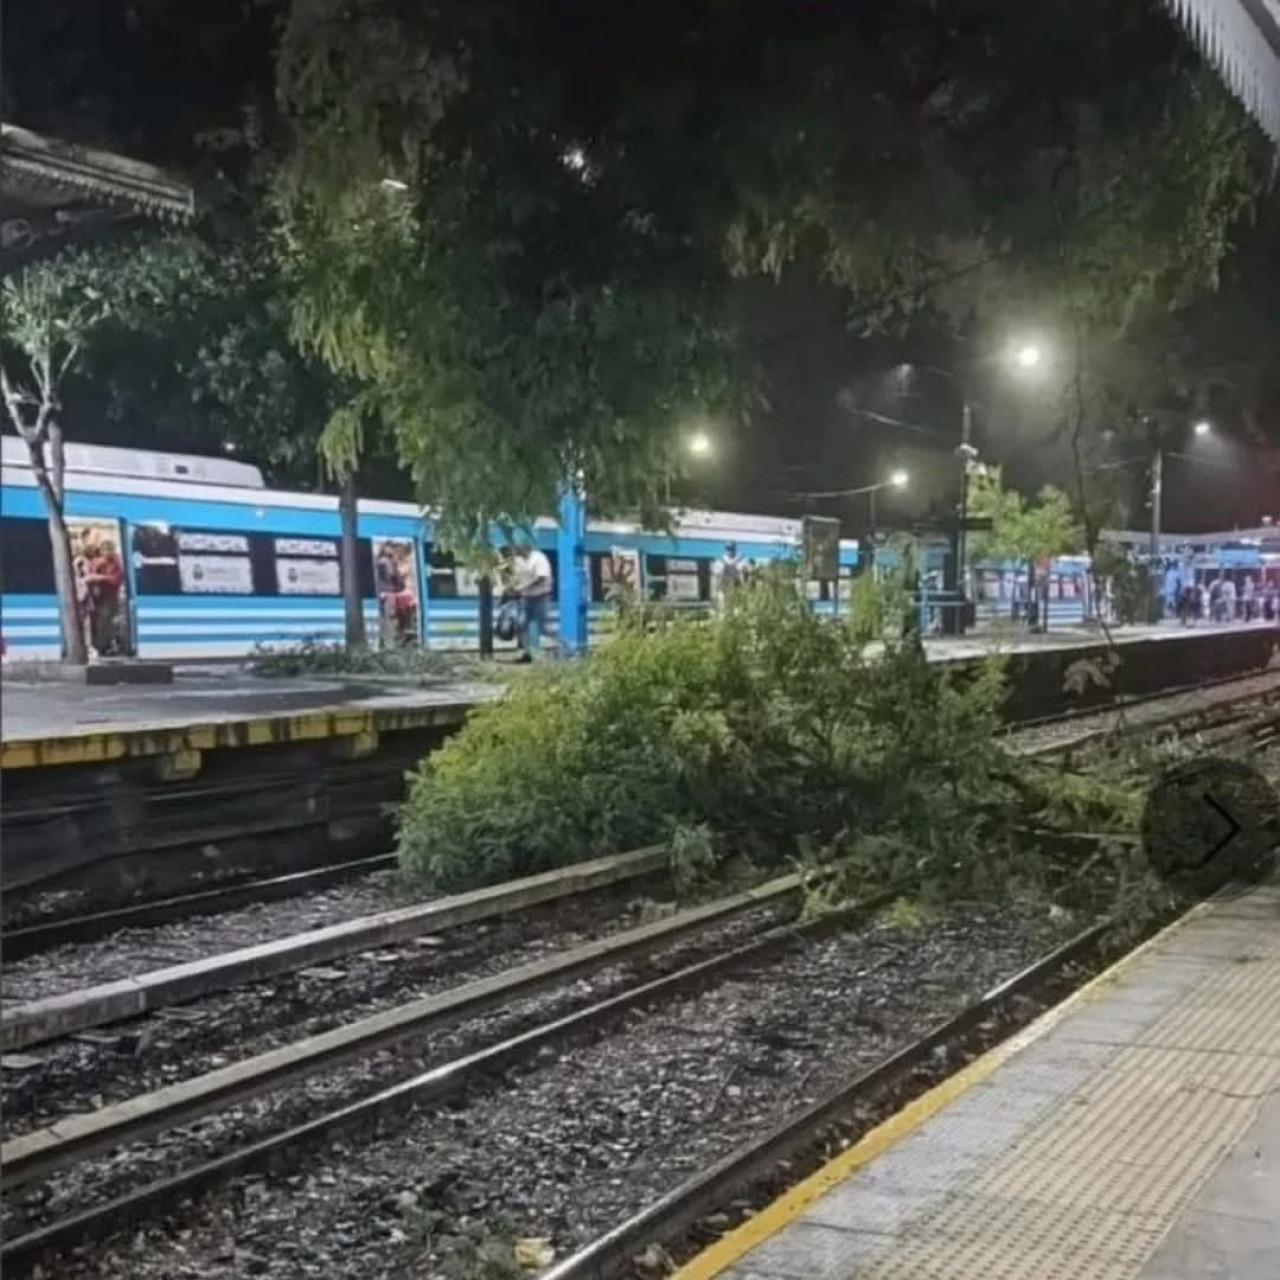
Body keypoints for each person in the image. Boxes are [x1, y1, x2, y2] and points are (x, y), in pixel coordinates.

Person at [84, 537, 125, 656]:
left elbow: (116, 580)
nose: (107, 553)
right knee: (94, 621)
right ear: (101, 551)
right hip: (94, 597)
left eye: (110, 550)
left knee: (104, 621)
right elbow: (88, 576)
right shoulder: (95, 562)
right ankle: (95, 645)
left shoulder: (116, 564)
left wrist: (100, 577)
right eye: (105, 550)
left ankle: (103, 647)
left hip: (109, 597)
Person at [512, 541, 553, 659]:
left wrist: (523, 587)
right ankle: (527, 652)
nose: (516, 551)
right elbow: (517, 577)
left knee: (544, 627)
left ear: (525, 548)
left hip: (541, 597)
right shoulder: (518, 561)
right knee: (521, 624)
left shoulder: (539, 558)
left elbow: (541, 577)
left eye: (517, 549)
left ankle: (560, 648)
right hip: (526, 598)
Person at [713, 541, 744, 609]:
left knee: (737, 606)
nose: (729, 550)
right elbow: (716, 574)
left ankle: (736, 618)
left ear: (735, 548)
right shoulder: (720, 559)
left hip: (736, 586)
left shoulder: (741, 559)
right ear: (725, 549)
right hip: (723, 586)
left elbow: (742, 573)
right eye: (728, 548)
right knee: (722, 605)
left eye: (731, 548)